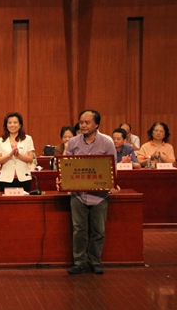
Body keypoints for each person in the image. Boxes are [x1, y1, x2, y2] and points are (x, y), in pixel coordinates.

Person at [62, 109, 120, 275]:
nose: (83, 125)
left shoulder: (107, 143)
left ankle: (95, 261)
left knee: (98, 231)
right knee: (79, 230)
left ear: (96, 124)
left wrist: (112, 183)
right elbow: (66, 166)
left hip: (100, 196)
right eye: (81, 122)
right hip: (78, 195)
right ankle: (80, 262)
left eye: (87, 122)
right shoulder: (73, 142)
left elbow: (112, 168)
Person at [0, 113, 35, 192]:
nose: (12, 125)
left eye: (15, 122)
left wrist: (18, 155)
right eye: (9, 123)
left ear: (20, 125)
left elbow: (30, 159)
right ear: (6, 125)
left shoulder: (27, 139)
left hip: (24, 178)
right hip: (6, 179)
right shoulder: (0, 141)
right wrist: (9, 155)